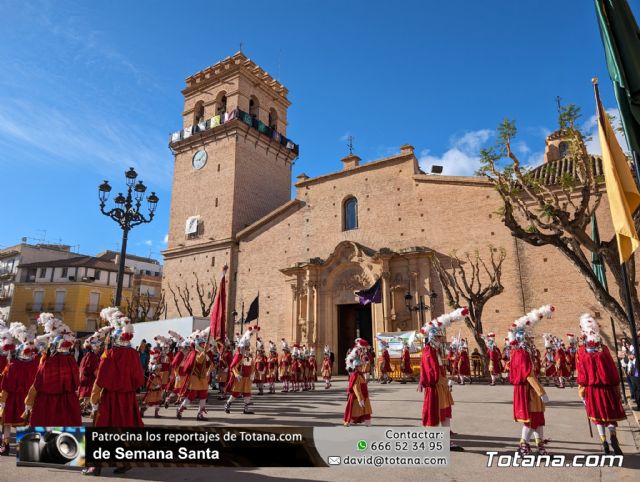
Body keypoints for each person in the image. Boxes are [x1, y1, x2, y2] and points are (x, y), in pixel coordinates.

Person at [418, 307, 468, 451]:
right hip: (435, 389)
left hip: (442, 388)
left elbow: (440, 371)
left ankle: (447, 440)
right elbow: (432, 375)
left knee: (445, 414)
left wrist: (447, 381)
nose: (441, 340)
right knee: (434, 415)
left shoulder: (435, 351)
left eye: (441, 337)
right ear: (433, 338)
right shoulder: (428, 352)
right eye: (439, 337)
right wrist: (445, 382)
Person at [577, 314, 626, 455]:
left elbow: (582, 374)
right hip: (607, 388)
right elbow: (612, 369)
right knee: (610, 416)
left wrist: (581, 392)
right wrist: (616, 387)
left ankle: (604, 442)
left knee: (598, 417)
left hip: (592, 389)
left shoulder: (582, 351)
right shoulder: (604, 349)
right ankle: (613, 438)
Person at [510, 304, 554, 455]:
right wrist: (541, 392)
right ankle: (523, 445)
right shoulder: (521, 353)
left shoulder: (522, 352)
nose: (531, 340)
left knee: (538, 419)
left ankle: (540, 445)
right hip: (528, 391)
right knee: (531, 419)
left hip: (531, 390)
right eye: (528, 337)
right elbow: (528, 374)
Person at [24, 313, 81, 427]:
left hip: (46, 403)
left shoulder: (48, 362)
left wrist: (28, 402)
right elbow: (76, 382)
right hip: (68, 402)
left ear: (53, 346)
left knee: (44, 435)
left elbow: (38, 383)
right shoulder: (71, 360)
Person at [0, 323, 39, 456]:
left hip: (11, 398)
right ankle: (24, 449)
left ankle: (5, 446)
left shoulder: (12, 366)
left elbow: (5, 385)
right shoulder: (34, 366)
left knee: (7, 424)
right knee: (24, 424)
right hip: (27, 398)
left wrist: (2, 400)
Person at [177, 329, 213, 421]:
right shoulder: (195, 353)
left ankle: (200, 414)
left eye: (204, 344)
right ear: (198, 345)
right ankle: (180, 409)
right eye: (202, 344)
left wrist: (209, 369)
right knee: (192, 395)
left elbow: (210, 364)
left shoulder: (204, 353)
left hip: (203, 377)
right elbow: (199, 360)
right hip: (195, 377)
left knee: (204, 395)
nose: (204, 345)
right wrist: (204, 353)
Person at [224, 326, 257, 414]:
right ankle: (228, 404)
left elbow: (253, 365)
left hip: (247, 378)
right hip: (240, 377)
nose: (247, 349)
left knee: (247, 393)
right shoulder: (239, 356)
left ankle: (246, 409)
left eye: (248, 347)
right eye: (246, 347)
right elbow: (233, 366)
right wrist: (237, 374)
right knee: (235, 393)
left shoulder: (249, 356)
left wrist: (252, 374)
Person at [344, 339, 372, 426]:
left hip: (364, 396)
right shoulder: (355, 375)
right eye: (360, 366)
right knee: (354, 409)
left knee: (365, 409)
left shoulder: (360, 374)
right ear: (356, 367)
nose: (361, 367)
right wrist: (360, 398)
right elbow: (356, 387)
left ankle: (367, 422)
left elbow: (366, 360)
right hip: (358, 397)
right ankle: (349, 421)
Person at [78, 334, 103, 416]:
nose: (99, 348)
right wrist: (100, 380)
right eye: (98, 346)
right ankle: (93, 413)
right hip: (90, 380)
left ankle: (83, 408)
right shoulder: (93, 357)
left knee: (86, 398)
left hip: (84, 379)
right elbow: (95, 371)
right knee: (93, 398)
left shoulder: (86, 355)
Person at [141, 348, 164, 418]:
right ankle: (141, 412)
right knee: (149, 404)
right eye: (157, 369)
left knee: (158, 403)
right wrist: (154, 387)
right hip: (152, 392)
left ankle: (156, 414)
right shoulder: (152, 376)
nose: (159, 370)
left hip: (157, 392)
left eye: (159, 369)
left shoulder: (158, 376)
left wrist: (159, 387)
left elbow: (160, 382)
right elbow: (148, 385)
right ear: (154, 370)